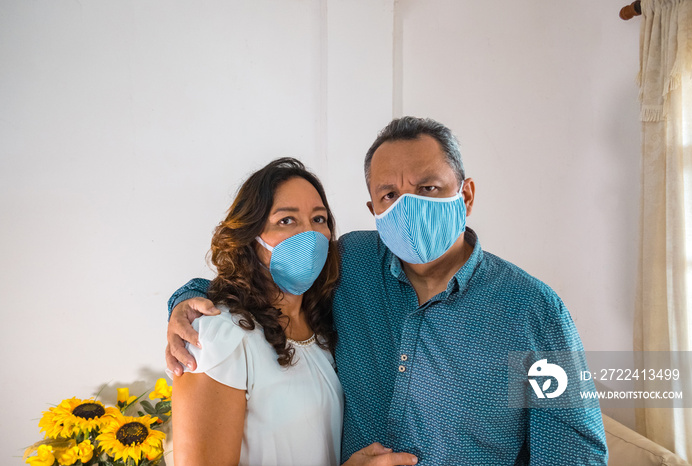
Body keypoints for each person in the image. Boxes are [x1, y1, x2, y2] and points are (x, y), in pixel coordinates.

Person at [167, 117, 608, 465]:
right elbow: (261, 283)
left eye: (428, 188)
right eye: (390, 194)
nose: (408, 206)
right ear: (372, 208)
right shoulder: (351, 263)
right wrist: (185, 302)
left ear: (466, 195)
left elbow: (573, 451)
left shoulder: (534, 311)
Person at [171, 158, 387, 466]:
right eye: (286, 221)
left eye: (319, 219)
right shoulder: (219, 336)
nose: (309, 235)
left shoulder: (323, 326)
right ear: (250, 236)